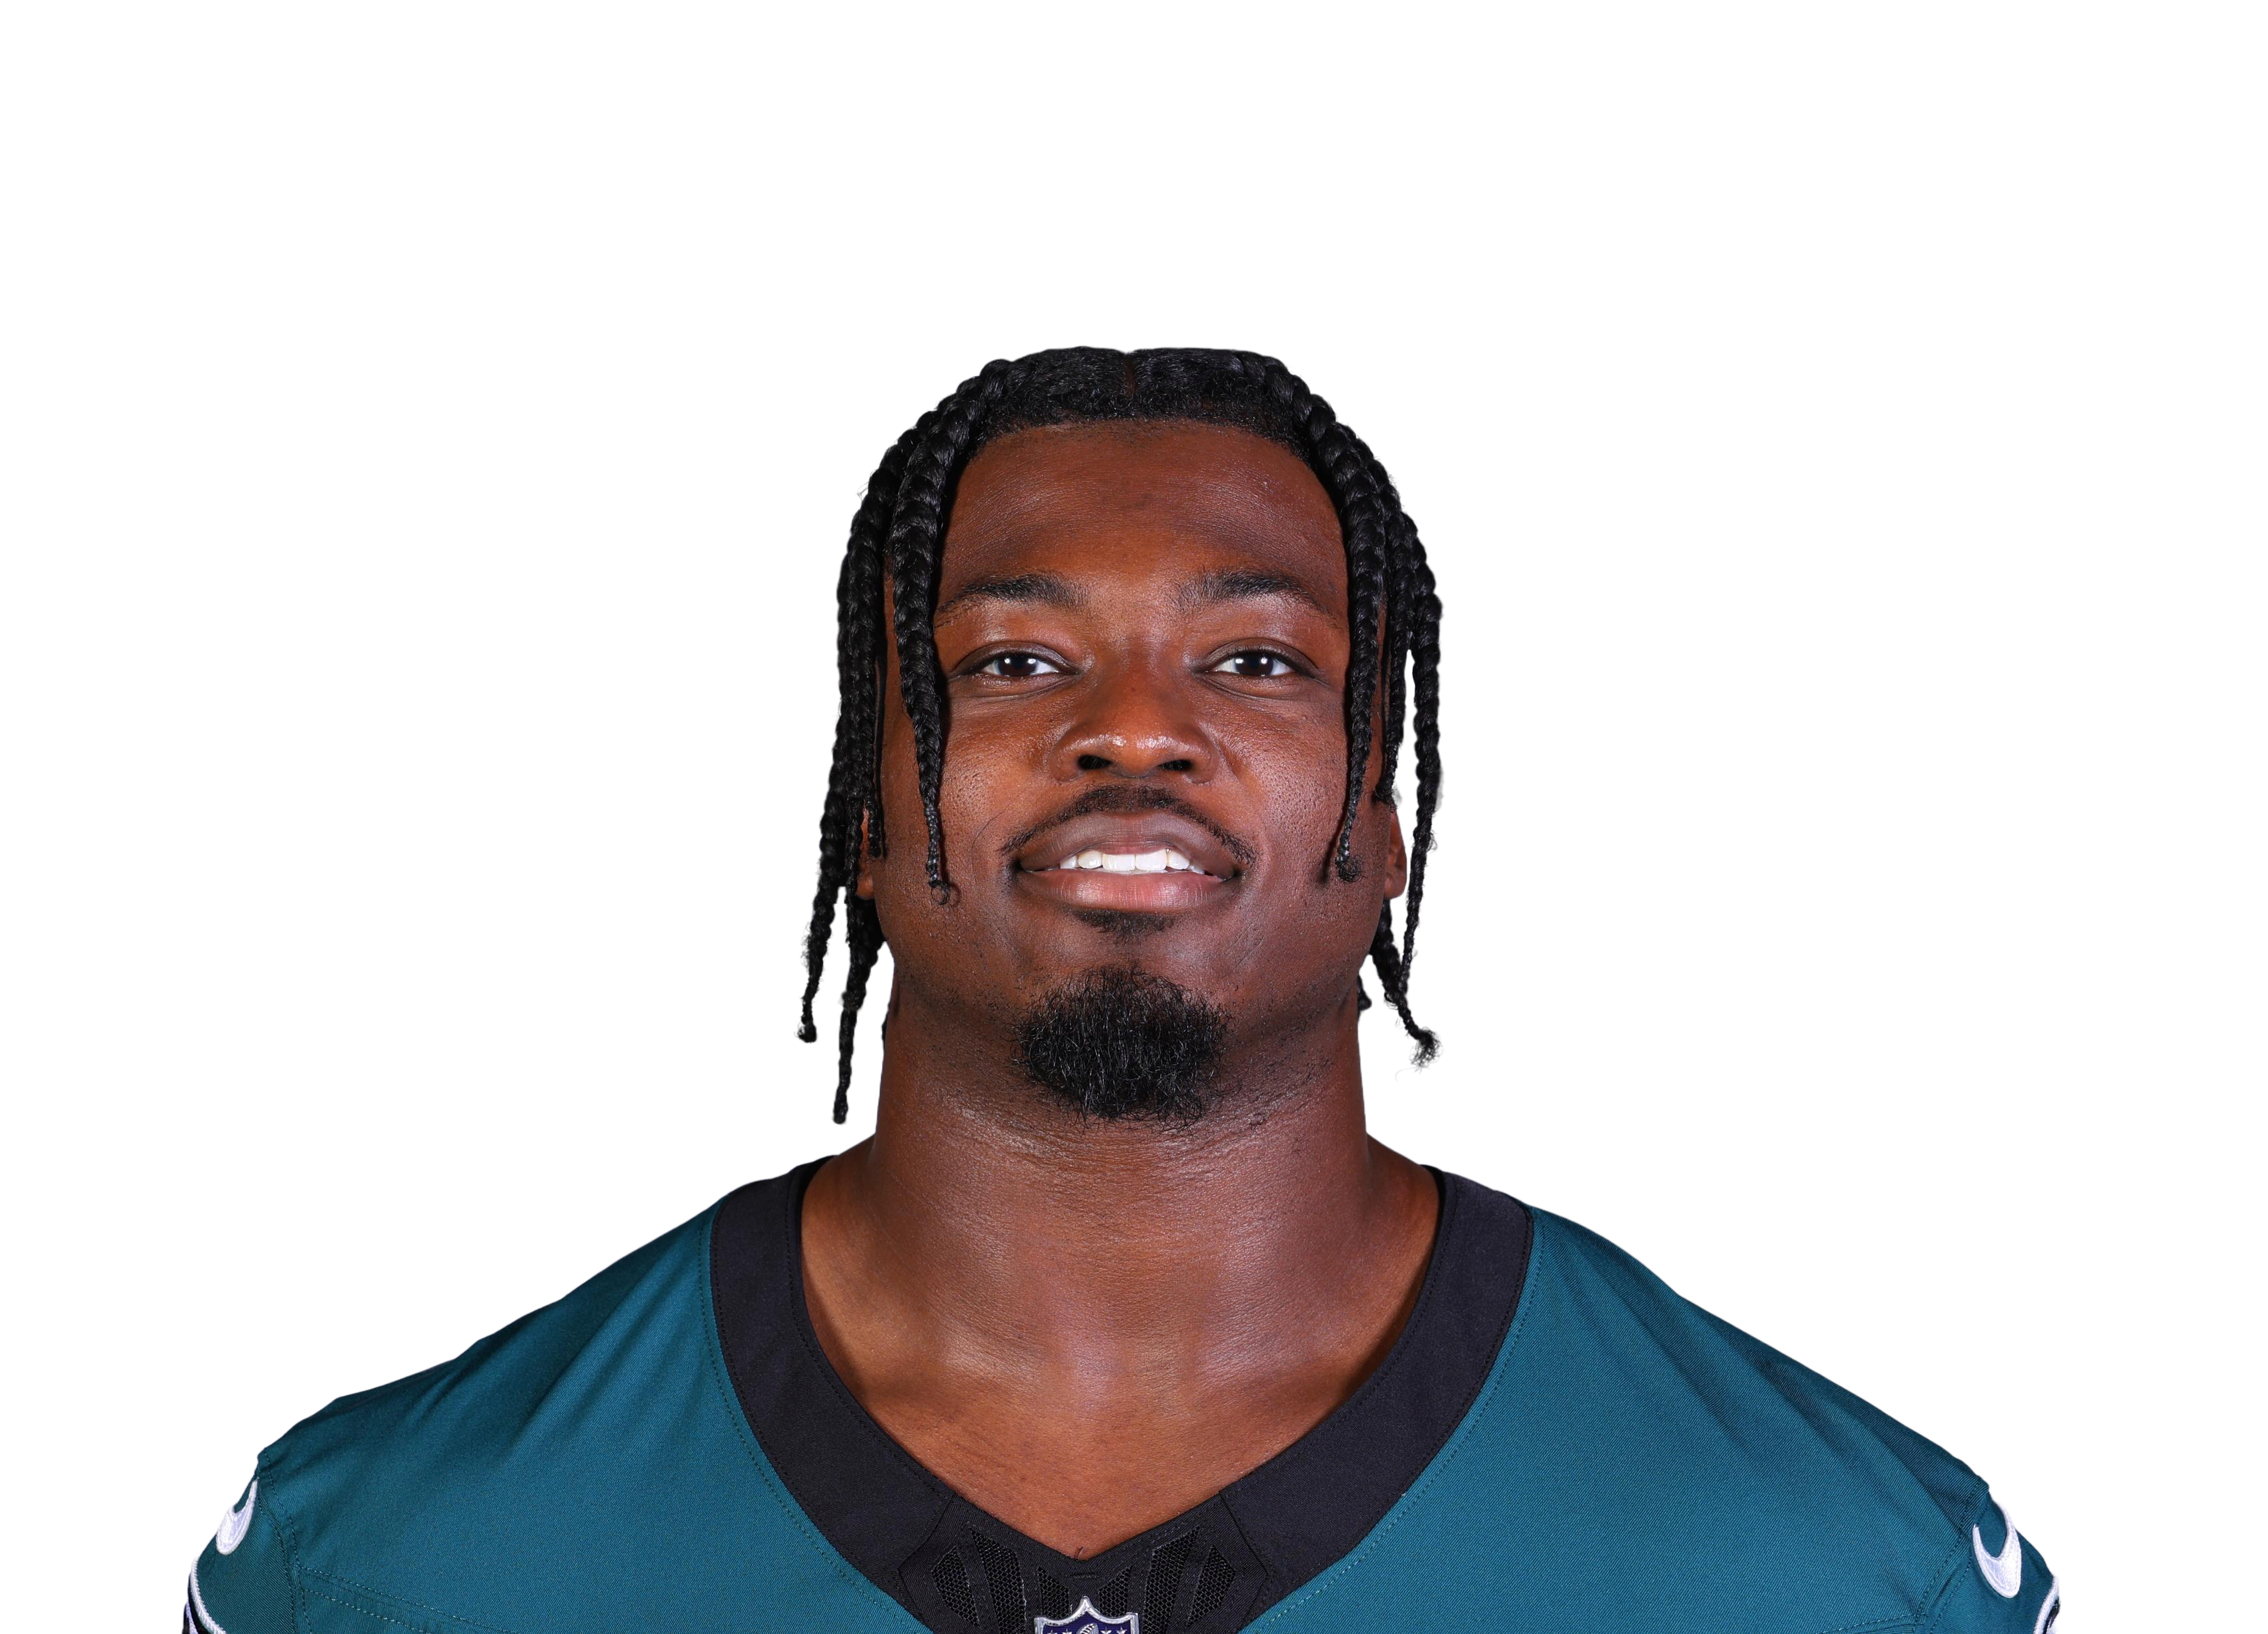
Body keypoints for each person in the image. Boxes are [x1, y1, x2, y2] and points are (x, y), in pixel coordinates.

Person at [184, 347, 2063, 1633]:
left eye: (1256, 661)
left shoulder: (1831, 1562)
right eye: (1013, 662)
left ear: (1390, 820)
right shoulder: (401, 1546)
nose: (1134, 732)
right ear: (865, 820)